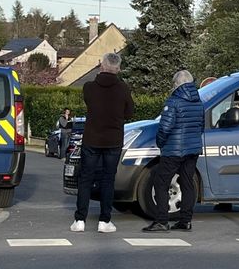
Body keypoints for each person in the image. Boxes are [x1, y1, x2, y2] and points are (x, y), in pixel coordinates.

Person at [70, 53, 134, 233]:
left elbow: (90, 102)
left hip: (92, 139)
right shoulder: (123, 88)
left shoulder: (89, 87)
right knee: (108, 180)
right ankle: (104, 220)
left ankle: (80, 219)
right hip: (113, 140)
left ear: (101, 66)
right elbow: (129, 113)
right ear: (118, 69)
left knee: (86, 179)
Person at [143, 70, 204, 232]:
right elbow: (201, 126)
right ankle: (186, 221)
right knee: (187, 183)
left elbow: (165, 127)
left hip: (173, 150)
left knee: (161, 183)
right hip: (193, 149)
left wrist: (160, 143)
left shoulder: (174, 101)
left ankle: (162, 221)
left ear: (176, 84)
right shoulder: (199, 102)